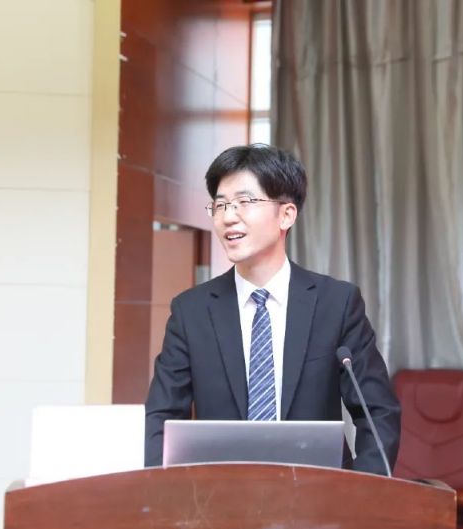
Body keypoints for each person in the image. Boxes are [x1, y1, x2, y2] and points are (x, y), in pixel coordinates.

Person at [144, 144, 400, 475]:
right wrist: (163, 492)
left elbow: (377, 411)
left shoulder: (336, 304)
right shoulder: (191, 312)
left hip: (321, 493)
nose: (228, 217)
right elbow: (162, 417)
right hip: (221, 495)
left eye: (245, 202)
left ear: (286, 215)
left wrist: (363, 491)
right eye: (220, 205)